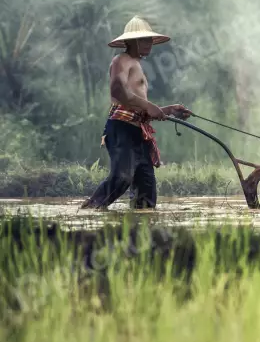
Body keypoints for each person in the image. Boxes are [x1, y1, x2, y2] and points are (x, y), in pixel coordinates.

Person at [81, 17, 192, 210]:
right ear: (130, 41)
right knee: (122, 178)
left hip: (138, 133)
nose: (148, 43)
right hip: (121, 130)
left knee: (146, 191)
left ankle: (140, 230)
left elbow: (139, 107)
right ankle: (88, 213)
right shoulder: (121, 60)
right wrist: (149, 106)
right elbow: (118, 91)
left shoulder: (137, 65)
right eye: (143, 39)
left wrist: (169, 110)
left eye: (149, 40)